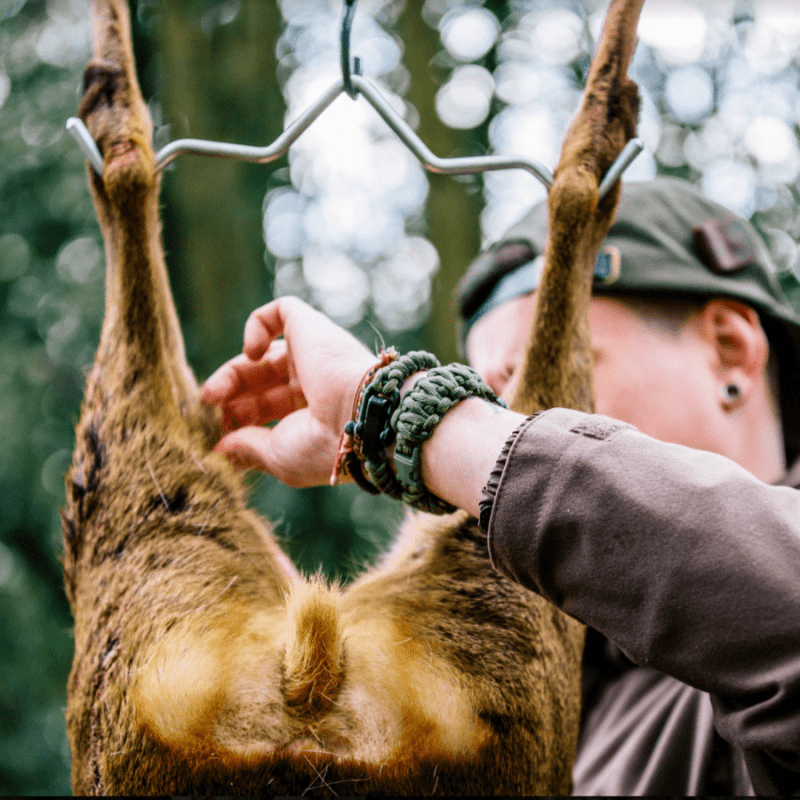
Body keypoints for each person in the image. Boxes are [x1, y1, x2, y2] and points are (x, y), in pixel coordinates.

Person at [201, 177, 800, 795]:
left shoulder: (742, 680)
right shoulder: (567, 703)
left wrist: (400, 415)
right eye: (492, 403)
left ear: (730, 351)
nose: (509, 426)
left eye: (568, 369)